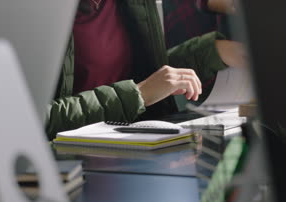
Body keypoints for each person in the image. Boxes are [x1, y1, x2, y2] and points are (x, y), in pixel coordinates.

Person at [44, 0, 243, 140]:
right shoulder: (30, 12)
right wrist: (137, 95)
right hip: (72, 164)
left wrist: (214, 52)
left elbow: (151, 79)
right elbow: (38, 118)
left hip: (139, 145)